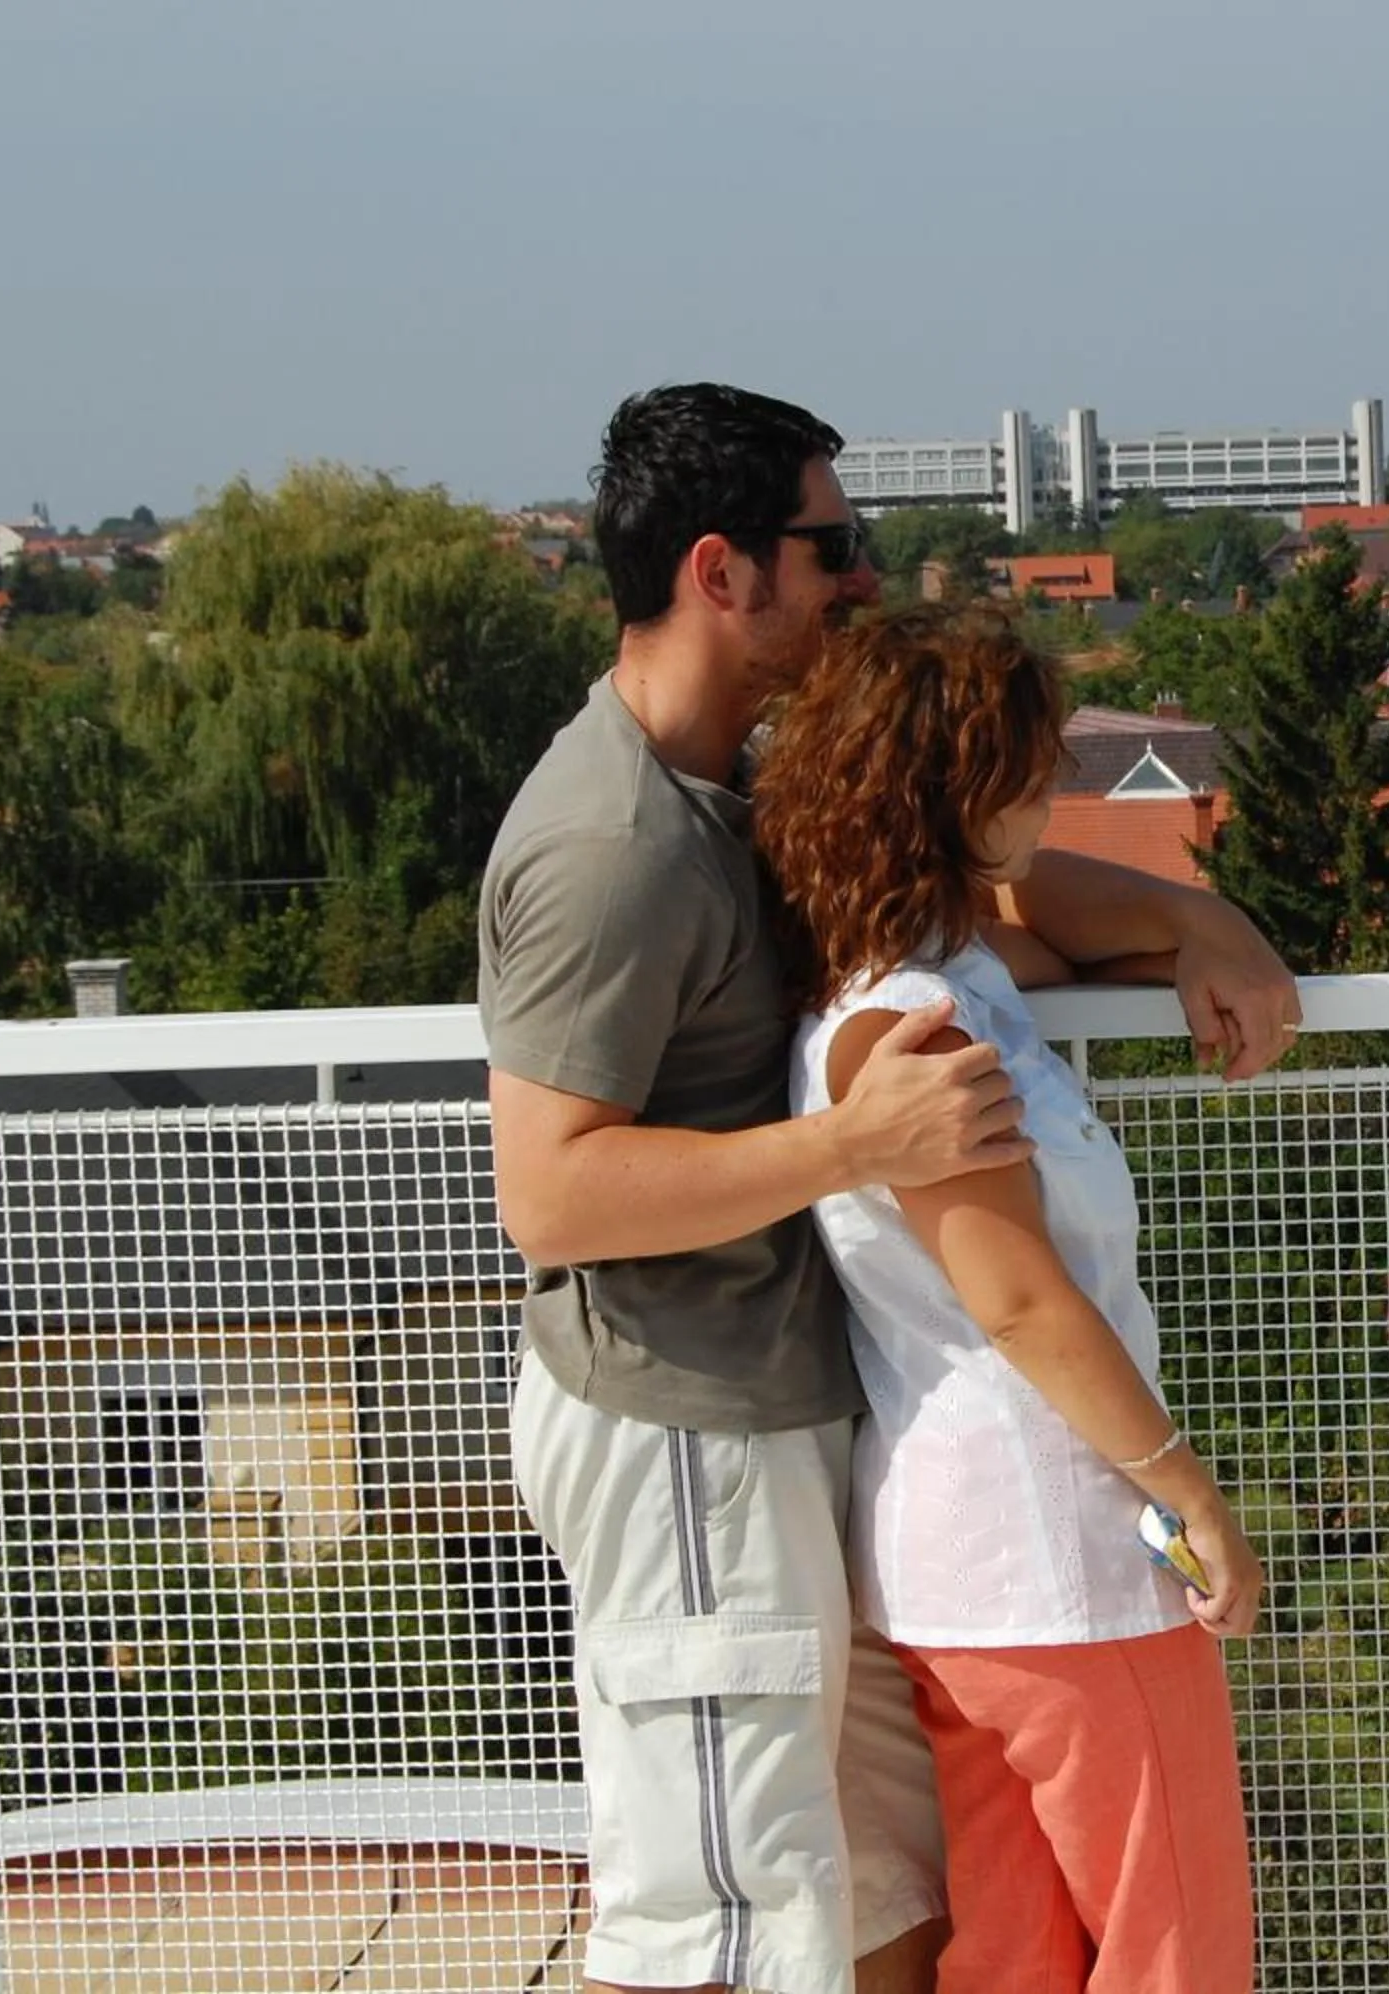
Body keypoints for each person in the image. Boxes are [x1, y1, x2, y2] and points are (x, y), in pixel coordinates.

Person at [479, 383, 1299, 1994]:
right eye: (833, 545)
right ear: (725, 571)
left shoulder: (759, 797)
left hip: (825, 1446)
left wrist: (1207, 927)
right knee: (704, 1910)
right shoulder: (614, 845)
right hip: (686, 1430)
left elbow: (979, 886)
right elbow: (550, 1200)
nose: (863, 576)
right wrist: (859, 1146)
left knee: (879, 1908)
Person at [758, 603, 1261, 1994]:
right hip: (1065, 1567)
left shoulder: (922, 976)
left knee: (1020, 1959)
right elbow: (1022, 1297)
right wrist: (1192, 1498)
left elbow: (1079, 931)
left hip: (966, 1579)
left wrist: (1199, 920)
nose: (1059, 793)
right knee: (1180, 1952)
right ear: (946, 795)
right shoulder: (917, 1030)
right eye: (1030, 770)